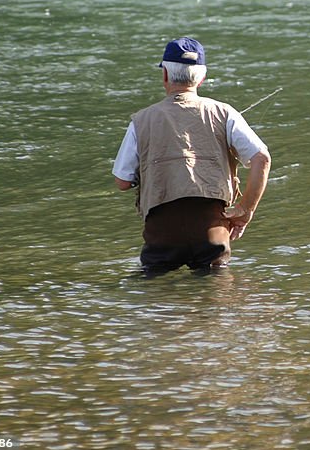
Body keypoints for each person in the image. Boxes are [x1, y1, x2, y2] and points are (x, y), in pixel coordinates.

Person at [112, 37, 271, 273]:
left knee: (155, 297)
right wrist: (245, 209)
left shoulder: (140, 121)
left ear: (165, 75)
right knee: (217, 294)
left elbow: (123, 182)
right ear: (202, 77)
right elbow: (262, 158)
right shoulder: (225, 113)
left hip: (162, 235)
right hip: (212, 232)